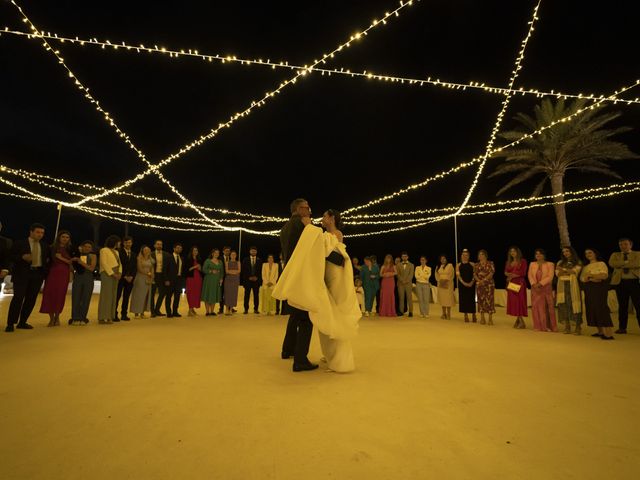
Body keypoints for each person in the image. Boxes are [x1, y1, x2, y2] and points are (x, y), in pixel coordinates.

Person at [273, 208, 360, 373]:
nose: (322, 218)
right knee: (325, 317)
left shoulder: (335, 235)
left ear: (332, 218)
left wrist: (309, 226)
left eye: (325, 216)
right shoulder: (324, 235)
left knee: (334, 316)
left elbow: (333, 255)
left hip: (334, 279)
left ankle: (339, 360)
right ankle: (329, 355)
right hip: (325, 278)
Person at [274, 198, 317, 372]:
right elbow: (314, 243)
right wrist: (309, 226)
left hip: (290, 274)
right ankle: (300, 360)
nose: (310, 210)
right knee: (306, 319)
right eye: (307, 207)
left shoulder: (285, 227)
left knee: (294, 315)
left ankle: (287, 349)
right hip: (301, 276)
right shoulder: (301, 225)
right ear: (300, 209)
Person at [5, 223, 49, 332]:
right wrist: (22, 257)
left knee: (31, 299)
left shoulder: (44, 245)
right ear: (31, 232)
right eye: (38, 232)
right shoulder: (20, 243)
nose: (40, 235)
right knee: (18, 298)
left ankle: (23, 322)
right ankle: (10, 323)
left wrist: (44, 272)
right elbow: (10, 256)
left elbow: (47, 260)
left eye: (42, 233)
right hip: (22, 274)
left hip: (37, 275)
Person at [40, 230, 74, 327]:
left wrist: (61, 258)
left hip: (64, 274)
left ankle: (57, 317)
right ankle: (51, 318)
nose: (65, 239)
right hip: (52, 273)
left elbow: (72, 262)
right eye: (63, 236)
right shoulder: (51, 248)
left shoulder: (71, 249)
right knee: (50, 294)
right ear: (59, 237)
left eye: (67, 237)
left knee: (60, 295)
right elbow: (46, 260)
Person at [580, 248, 614, 340]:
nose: (588, 254)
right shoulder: (585, 266)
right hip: (589, 289)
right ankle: (600, 331)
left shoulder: (601, 263)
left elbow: (604, 276)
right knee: (592, 308)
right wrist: (590, 278)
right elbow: (582, 278)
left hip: (599, 289)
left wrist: (590, 276)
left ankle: (609, 333)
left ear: (595, 253)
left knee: (601, 308)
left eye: (590, 252)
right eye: (586, 253)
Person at [608, 238, 640, 334]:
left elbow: (637, 263)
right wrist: (627, 263)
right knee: (622, 306)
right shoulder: (615, 254)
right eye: (621, 244)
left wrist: (621, 264)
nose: (623, 246)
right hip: (620, 283)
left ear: (630, 245)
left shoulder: (637, 254)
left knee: (638, 305)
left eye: (625, 244)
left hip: (635, 282)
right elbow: (612, 263)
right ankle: (622, 328)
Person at [528, 248, 557, 332]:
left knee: (547, 307)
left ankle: (549, 326)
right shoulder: (532, 264)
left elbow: (550, 276)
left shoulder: (550, 264)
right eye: (536, 254)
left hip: (546, 287)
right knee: (536, 307)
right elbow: (530, 275)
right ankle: (538, 326)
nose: (538, 255)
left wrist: (540, 283)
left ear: (544, 255)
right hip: (535, 288)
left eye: (540, 253)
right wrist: (534, 284)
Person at [556, 246, 583, 335]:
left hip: (572, 286)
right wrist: (566, 271)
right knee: (563, 305)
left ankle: (578, 327)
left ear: (571, 251)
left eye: (567, 251)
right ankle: (567, 326)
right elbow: (557, 274)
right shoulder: (560, 262)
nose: (565, 253)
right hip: (562, 286)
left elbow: (575, 272)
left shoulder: (578, 261)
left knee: (574, 305)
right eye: (564, 252)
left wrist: (563, 270)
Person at [69, 240, 96, 325]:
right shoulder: (77, 255)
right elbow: (72, 268)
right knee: (76, 297)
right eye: (86, 246)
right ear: (82, 247)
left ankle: (83, 317)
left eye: (89, 247)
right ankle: (75, 317)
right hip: (78, 277)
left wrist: (81, 262)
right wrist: (71, 262)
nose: (87, 248)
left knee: (86, 298)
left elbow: (92, 268)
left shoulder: (93, 256)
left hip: (88, 278)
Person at [98, 235, 122, 324]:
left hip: (116, 274)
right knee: (106, 296)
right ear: (114, 242)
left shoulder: (117, 252)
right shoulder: (104, 250)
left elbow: (120, 264)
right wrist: (112, 274)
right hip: (107, 273)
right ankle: (102, 317)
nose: (120, 244)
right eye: (119, 242)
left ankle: (109, 317)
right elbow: (104, 263)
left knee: (113, 296)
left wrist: (119, 273)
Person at [505, 246, 528, 329]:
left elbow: (523, 272)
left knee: (519, 301)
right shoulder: (508, 262)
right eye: (511, 251)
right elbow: (505, 272)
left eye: (514, 251)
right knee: (514, 302)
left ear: (518, 252)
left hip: (519, 282)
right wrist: (508, 275)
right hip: (511, 283)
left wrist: (512, 276)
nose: (512, 253)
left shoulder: (523, 261)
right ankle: (518, 320)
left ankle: (521, 322)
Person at [115, 236, 136, 322]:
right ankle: (114, 314)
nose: (128, 244)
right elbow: (118, 265)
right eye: (126, 242)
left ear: (132, 243)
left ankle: (124, 314)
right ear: (123, 243)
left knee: (126, 297)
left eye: (130, 242)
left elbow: (135, 267)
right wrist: (124, 276)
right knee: (117, 296)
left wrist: (131, 276)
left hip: (130, 279)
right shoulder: (118, 252)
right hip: (120, 277)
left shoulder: (134, 254)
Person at [129, 245, 154, 318]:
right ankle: (136, 312)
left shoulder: (151, 259)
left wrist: (152, 275)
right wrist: (148, 273)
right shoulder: (139, 258)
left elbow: (152, 268)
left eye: (148, 250)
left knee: (146, 296)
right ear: (142, 251)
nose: (147, 251)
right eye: (145, 250)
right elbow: (139, 268)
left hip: (148, 279)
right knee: (138, 296)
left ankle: (142, 312)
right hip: (140, 278)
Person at [474, 249, 495, 325]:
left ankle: (490, 318)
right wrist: (479, 281)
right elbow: (474, 274)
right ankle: (482, 318)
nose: (480, 256)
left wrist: (484, 280)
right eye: (479, 254)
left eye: (482, 254)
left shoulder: (490, 263)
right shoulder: (476, 265)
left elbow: (492, 273)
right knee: (480, 301)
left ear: (485, 255)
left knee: (490, 301)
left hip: (489, 284)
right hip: (480, 285)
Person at [150, 240, 171, 317]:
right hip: (153, 276)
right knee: (152, 294)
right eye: (158, 244)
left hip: (162, 276)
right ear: (154, 245)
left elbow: (168, 268)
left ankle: (157, 310)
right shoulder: (150, 254)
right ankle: (152, 312)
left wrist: (167, 279)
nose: (159, 245)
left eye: (161, 244)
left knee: (162, 293)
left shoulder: (167, 255)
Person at [165, 242, 185, 317]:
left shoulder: (181, 258)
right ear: (174, 248)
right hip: (170, 280)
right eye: (177, 248)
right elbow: (165, 269)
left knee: (177, 297)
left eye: (180, 248)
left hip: (179, 280)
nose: (179, 249)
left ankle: (175, 311)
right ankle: (169, 312)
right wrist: (166, 279)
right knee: (169, 297)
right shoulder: (169, 257)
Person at [456, 249, 476, 323]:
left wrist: (472, 282)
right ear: (461, 256)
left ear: (469, 256)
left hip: (471, 284)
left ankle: (474, 315)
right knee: (463, 299)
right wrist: (464, 283)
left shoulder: (473, 264)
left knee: (471, 299)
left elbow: (475, 274)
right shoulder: (458, 265)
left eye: (466, 255)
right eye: (463, 255)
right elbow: (458, 275)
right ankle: (465, 315)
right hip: (462, 285)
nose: (465, 256)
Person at [201, 249, 223, 315]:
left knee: (214, 295)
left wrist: (221, 278)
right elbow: (204, 269)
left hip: (216, 281)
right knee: (208, 295)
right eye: (215, 253)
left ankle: (212, 311)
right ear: (212, 254)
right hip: (208, 280)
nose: (217, 254)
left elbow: (222, 271)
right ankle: (207, 311)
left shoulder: (220, 262)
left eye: (218, 253)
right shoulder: (208, 261)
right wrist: (211, 271)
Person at [241, 247, 262, 314]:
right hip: (248, 281)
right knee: (246, 295)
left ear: (256, 252)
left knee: (256, 295)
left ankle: (256, 309)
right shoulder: (245, 260)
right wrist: (248, 277)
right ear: (250, 251)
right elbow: (243, 271)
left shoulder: (259, 260)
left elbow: (261, 271)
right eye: (252, 251)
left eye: (254, 251)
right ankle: (246, 309)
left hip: (256, 281)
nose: (253, 252)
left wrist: (257, 277)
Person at [185, 246, 203, 316]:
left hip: (198, 278)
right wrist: (195, 267)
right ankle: (189, 310)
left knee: (196, 294)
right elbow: (187, 270)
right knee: (190, 294)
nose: (195, 252)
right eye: (194, 250)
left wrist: (199, 268)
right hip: (191, 278)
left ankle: (192, 309)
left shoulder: (199, 259)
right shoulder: (188, 259)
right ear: (191, 251)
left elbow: (201, 270)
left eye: (196, 250)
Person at [435, 254, 455, 319]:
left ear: (446, 259)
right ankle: (444, 313)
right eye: (441, 259)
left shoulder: (450, 265)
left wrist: (446, 280)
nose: (443, 260)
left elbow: (452, 274)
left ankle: (449, 314)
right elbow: (436, 275)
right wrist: (440, 281)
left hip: (448, 284)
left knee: (448, 299)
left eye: (444, 259)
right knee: (442, 299)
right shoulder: (438, 266)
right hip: (440, 284)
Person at [396, 252, 415, 317]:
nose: (404, 257)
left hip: (408, 284)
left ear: (407, 257)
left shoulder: (411, 265)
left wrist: (406, 281)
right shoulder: (398, 265)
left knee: (409, 298)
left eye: (405, 256)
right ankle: (401, 311)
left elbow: (411, 275)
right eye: (403, 256)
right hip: (400, 283)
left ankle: (411, 312)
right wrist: (402, 280)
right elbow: (397, 274)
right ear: (401, 257)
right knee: (401, 298)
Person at [223, 251, 241, 315]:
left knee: (233, 294)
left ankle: (231, 309)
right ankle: (226, 309)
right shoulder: (227, 262)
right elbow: (226, 271)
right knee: (227, 294)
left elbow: (239, 270)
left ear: (236, 255)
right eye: (232, 254)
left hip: (235, 280)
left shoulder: (238, 262)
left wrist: (231, 272)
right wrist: (234, 272)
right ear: (230, 255)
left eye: (234, 254)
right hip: (228, 280)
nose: (233, 255)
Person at [219, 246, 232, 314]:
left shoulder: (232, 258)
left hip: (230, 279)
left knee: (229, 294)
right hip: (222, 278)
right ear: (223, 251)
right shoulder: (220, 258)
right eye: (226, 251)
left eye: (229, 251)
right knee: (221, 294)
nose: (228, 252)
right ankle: (221, 309)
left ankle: (230, 308)